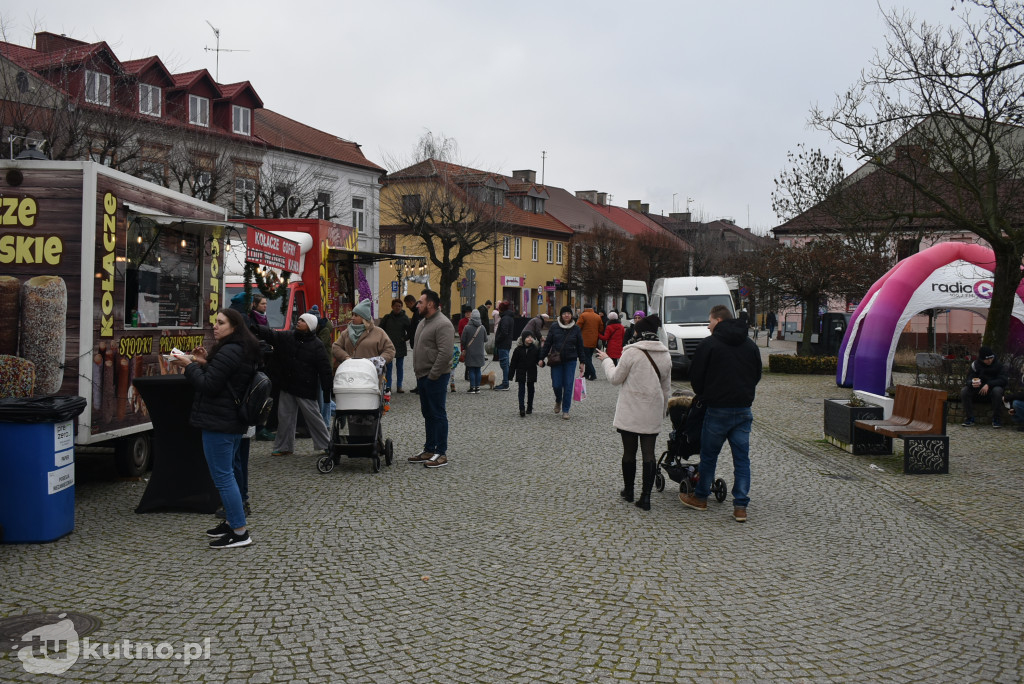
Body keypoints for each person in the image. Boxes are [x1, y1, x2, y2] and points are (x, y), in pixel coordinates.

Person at [170, 308, 260, 548]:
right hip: (229, 420)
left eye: (221, 323)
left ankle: (239, 532)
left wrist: (189, 366)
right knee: (227, 473)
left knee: (223, 477)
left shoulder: (230, 350)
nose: (215, 326)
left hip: (220, 421)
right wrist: (204, 362)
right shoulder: (239, 348)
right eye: (215, 322)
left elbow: (208, 386)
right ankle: (232, 523)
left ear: (234, 327)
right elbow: (223, 378)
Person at [679, 304, 762, 523]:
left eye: (710, 321)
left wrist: (705, 393)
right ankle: (740, 506)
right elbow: (757, 374)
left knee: (709, 456)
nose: (708, 326)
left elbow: (696, 376)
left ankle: (701, 497)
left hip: (717, 408)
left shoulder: (709, 344)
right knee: (742, 459)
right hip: (743, 409)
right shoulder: (750, 345)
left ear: (718, 320)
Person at [597, 314, 672, 511]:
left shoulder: (631, 352)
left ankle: (629, 491)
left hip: (631, 410)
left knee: (629, 452)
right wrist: (663, 411)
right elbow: (666, 388)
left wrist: (607, 361)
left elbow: (615, 378)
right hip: (652, 410)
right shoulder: (665, 355)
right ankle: (646, 497)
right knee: (649, 454)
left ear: (639, 332)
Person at [252, 312, 332, 457]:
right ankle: (284, 447)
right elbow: (273, 335)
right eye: (299, 319)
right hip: (288, 385)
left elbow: (325, 369)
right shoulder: (289, 336)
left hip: (305, 388)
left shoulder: (317, 345)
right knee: (285, 418)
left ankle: (326, 445)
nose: (299, 321)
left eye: (303, 320)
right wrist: (257, 328)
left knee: (314, 417)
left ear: (310, 326)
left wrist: (327, 392)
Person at [408, 289, 455, 468]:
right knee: (428, 413)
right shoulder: (423, 322)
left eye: (421, 302)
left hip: (435, 376)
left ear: (431, 304)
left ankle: (441, 453)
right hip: (422, 376)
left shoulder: (443, 324)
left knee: (438, 414)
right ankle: (429, 449)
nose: (417, 305)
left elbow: (445, 353)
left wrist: (433, 375)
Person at [331, 299, 396, 385]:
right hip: (349, 378)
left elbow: (390, 350)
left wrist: (378, 361)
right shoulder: (346, 332)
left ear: (363, 318)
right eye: (352, 315)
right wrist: (346, 357)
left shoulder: (379, 332)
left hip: (370, 378)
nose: (352, 318)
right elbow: (336, 347)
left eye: (356, 315)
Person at [540, 305, 584, 420]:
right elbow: (548, 343)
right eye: (564, 313)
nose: (566, 315)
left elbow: (580, 346)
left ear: (571, 315)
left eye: (568, 313)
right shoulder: (554, 327)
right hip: (556, 360)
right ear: (561, 315)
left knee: (568, 385)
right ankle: (558, 399)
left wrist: (582, 361)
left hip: (571, 360)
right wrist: (541, 358)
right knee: (556, 384)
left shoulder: (576, 328)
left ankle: (566, 410)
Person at [960, 345, 1009, 428]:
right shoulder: (975, 365)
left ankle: (996, 419)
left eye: (991, 358)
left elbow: (1003, 380)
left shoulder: (998, 365)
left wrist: (989, 384)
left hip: (993, 389)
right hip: (978, 389)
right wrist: (972, 383)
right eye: (987, 359)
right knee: (964, 391)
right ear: (982, 359)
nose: (989, 360)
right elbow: (968, 379)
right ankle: (970, 418)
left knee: (997, 391)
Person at [379, 298, 410, 392]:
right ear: (392, 307)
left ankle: (399, 386)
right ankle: (388, 386)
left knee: (399, 367)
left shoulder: (405, 318)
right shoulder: (387, 318)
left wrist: (404, 338)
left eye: (399, 306)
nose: (398, 308)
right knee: (388, 367)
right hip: (388, 346)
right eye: (396, 306)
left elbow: (410, 331)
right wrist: (383, 340)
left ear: (402, 307)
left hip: (400, 346)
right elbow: (380, 330)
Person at [510, 330, 542, 417]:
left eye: (531, 337)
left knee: (531, 390)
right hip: (521, 372)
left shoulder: (535, 349)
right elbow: (513, 363)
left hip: (531, 372)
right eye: (528, 337)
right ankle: (522, 408)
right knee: (521, 390)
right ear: (523, 338)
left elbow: (538, 359)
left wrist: (541, 363)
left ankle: (529, 406)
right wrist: (510, 375)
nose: (530, 338)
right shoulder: (518, 350)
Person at [460, 309, 487, 393]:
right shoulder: (482, 327)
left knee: (471, 370)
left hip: (470, 352)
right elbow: (486, 339)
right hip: (480, 352)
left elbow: (463, 340)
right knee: (478, 370)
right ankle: (477, 388)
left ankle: (472, 387)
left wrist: (465, 347)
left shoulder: (467, 327)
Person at [578, 303, 605, 381]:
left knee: (586, 358)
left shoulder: (583, 315)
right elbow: (601, 328)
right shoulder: (597, 316)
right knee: (589, 357)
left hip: (584, 340)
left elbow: (578, 327)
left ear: (584, 308)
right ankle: (587, 374)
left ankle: (593, 373)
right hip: (594, 340)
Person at [493, 300, 515, 391]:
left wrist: (497, 340)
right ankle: (505, 382)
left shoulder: (505, 318)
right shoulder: (509, 317)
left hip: (503, 344)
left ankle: (505, 383)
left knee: (504, 364)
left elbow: (504, 332)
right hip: (506, 343)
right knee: (505, 363)